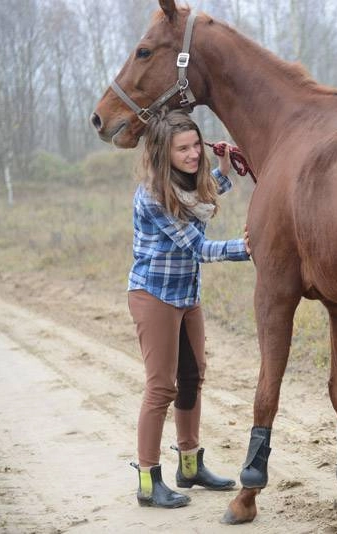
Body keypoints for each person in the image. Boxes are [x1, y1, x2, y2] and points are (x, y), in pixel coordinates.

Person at [127, 110, 251, 508]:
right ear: (164, 153)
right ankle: (148, 481)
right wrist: (248, 247)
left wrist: (223, 169)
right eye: (184, 148)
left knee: (193, 376)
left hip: (186, 295)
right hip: (155, 295)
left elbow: (200, 198)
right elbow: (198, 247)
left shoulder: (185, 187)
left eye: (196, 144)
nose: (193, 153)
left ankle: (190, 465)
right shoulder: (152, 197)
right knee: (161, 386)